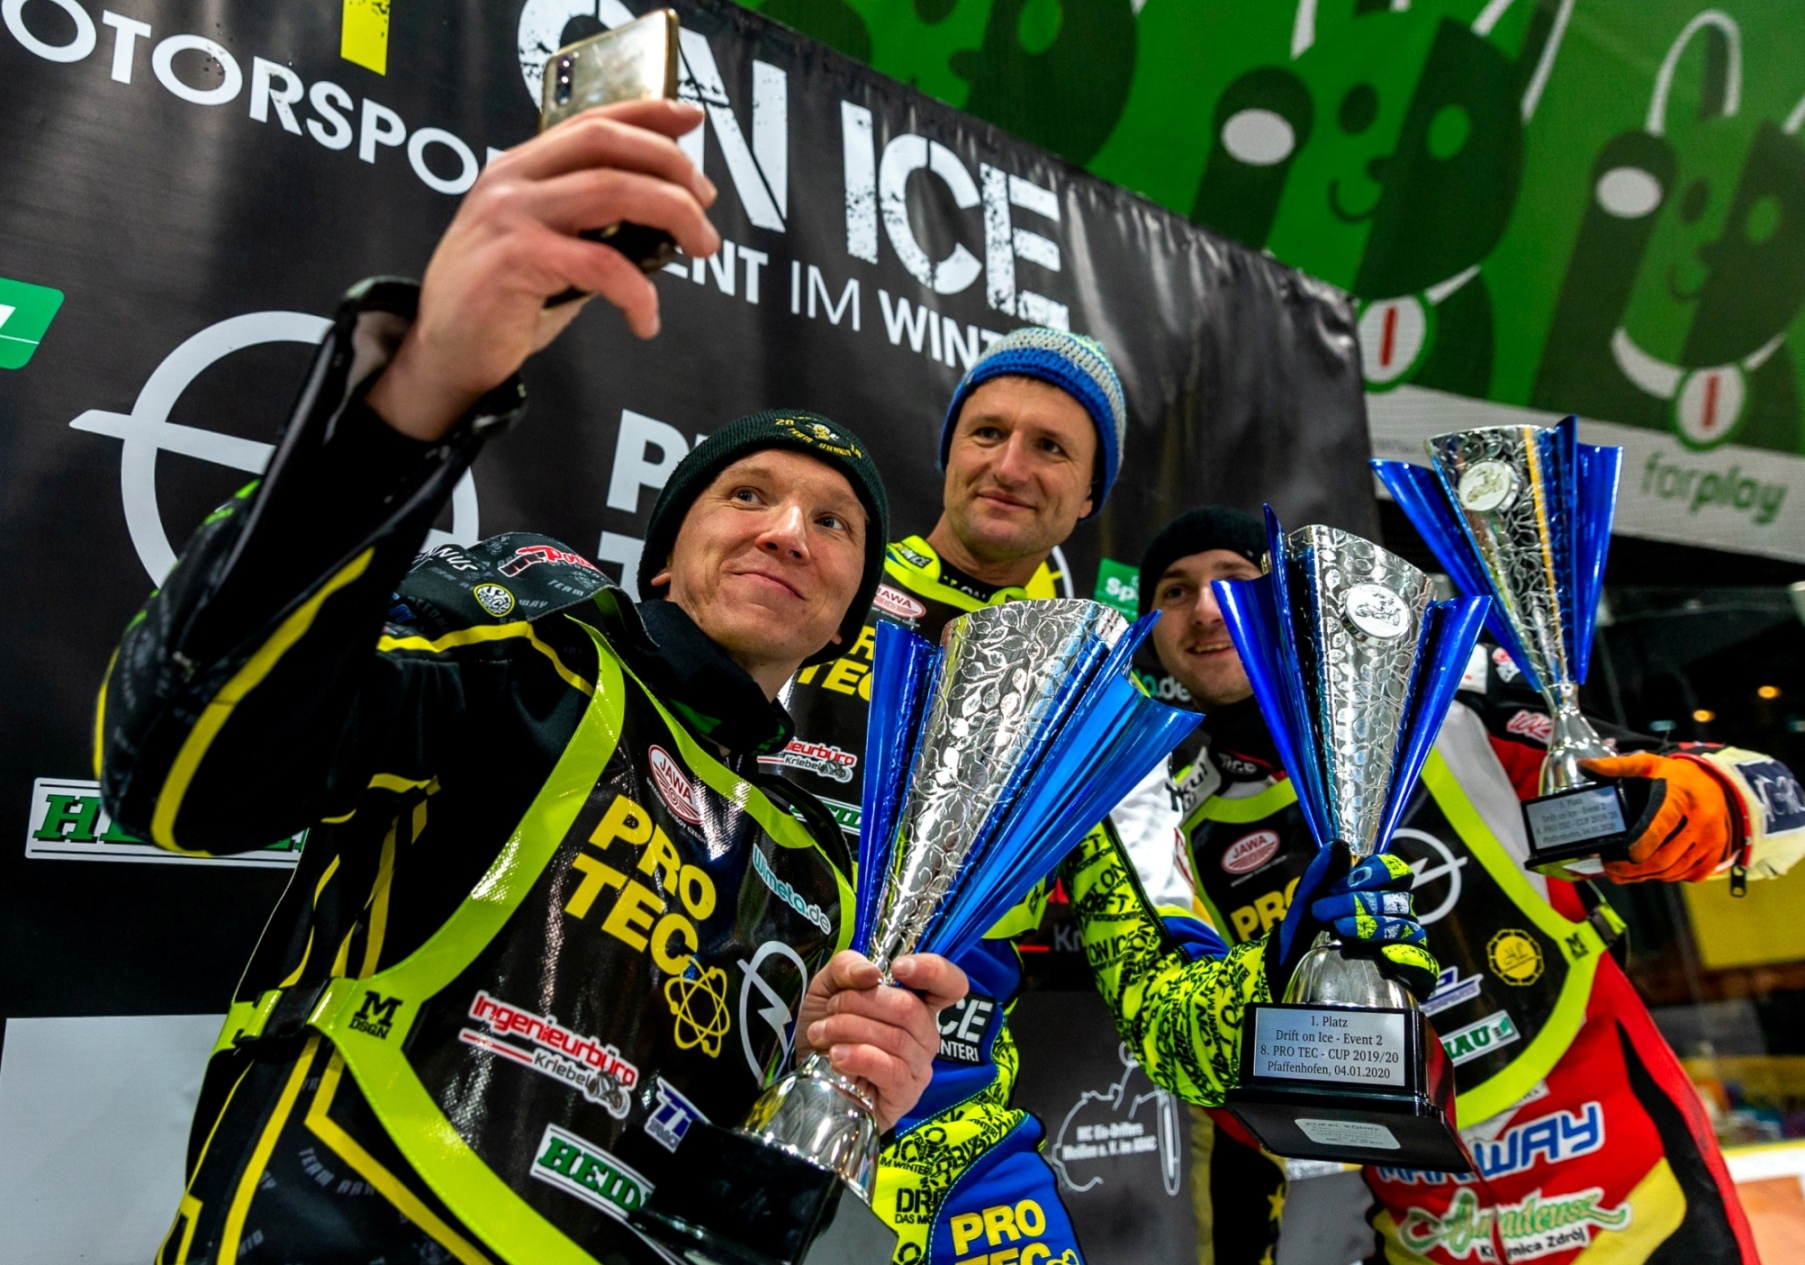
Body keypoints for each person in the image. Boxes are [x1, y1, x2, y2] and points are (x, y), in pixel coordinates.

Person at [97, 96, 969, 1265]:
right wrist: (415, 393)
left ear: (845, 614)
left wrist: (823, 1088)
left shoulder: (813, 863)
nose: (786, 532)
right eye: (746, 494)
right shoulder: (536, 650)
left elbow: (706, 1209)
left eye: (834, 524)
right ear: (661, 557)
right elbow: (180, 773)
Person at [779, 336, 1438, 1264]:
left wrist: (1292, 965)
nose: (1010, 465)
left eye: (1051, 446)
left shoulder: (1102, 701)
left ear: (1089, 495)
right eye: (987, 433)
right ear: (948, 452)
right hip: (736, 1052)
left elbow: (1168, 998)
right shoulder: (817, 577)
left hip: (944, 1126)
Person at [1119, 505, 1805, 1265]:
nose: (1206, 608)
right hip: (1429, 1233)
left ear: (1286, 597)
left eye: (1234, 578)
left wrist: (1710, 802)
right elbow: (1219, 1094)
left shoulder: (1450, 705)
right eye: (1174, 592)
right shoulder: (1172, 819)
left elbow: (1755, 795)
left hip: (1633, 1202)